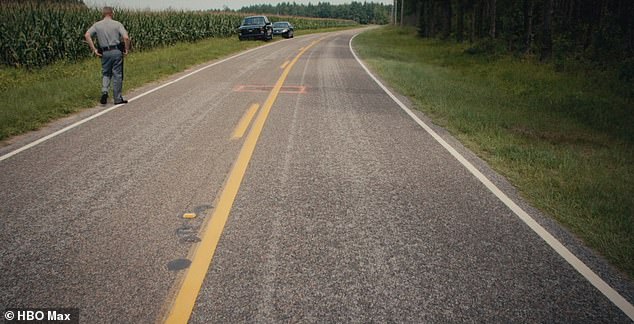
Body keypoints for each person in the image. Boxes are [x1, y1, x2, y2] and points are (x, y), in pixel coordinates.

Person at [84, 7, 130, 105]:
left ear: (103, 14)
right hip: (116, 51)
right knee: (117, 74)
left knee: (106, 73)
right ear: (111, 13)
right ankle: (117, 98)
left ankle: (104, 91)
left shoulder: (97, 25)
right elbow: (126, 37)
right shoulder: (117, 24)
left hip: (104, 52)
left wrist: (94, 49)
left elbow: (87, 35)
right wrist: (126, 49)